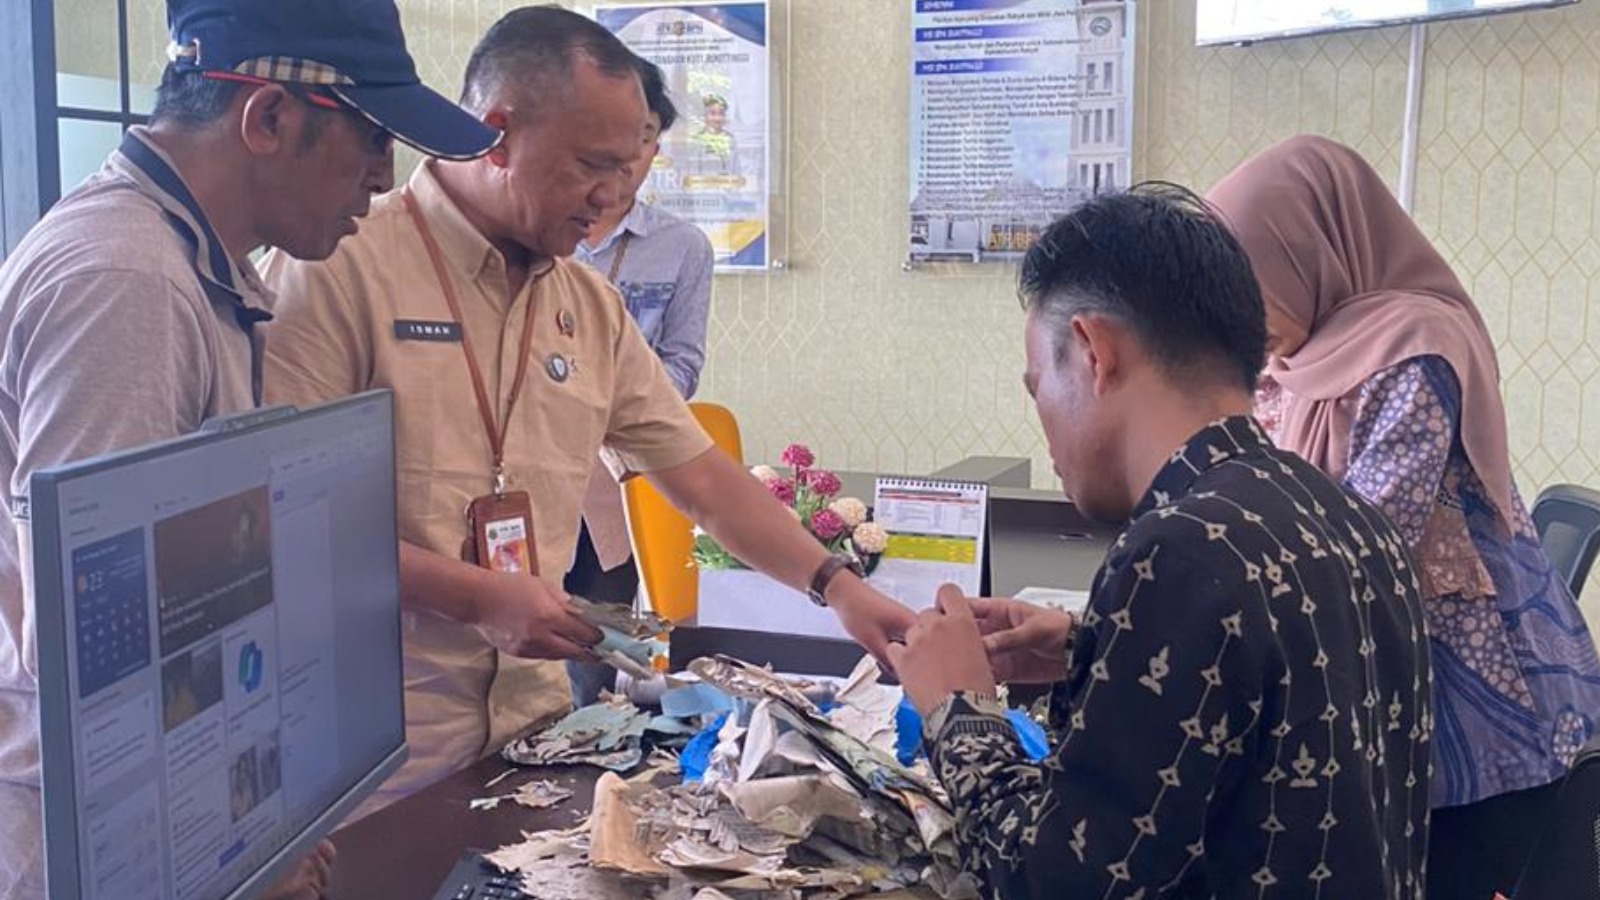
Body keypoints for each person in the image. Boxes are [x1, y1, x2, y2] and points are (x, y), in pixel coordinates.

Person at [260, 5, 914, 815]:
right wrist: (473, 597)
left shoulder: (587, 305)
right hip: (376, 771)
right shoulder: (335, 270)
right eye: (591, 166)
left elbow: (701, 478)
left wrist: (836, 586)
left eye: (628, 170)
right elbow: (284, 527)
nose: (610, 198)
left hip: (533, 749)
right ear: (496, 135)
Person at [0, 2, 496, 896]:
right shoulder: (128, 282)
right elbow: (94, 653)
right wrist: (227, 848)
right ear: (267, 117)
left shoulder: (193, 263)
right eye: (372, 138)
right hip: (92, 833)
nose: (383, 179)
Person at [888, 184, 1433, 898]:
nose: (1042, 421)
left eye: (1037, 386)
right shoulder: (1346, 516)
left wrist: (958, 709)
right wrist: (1092, 648)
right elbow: (1273, 722)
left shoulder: (1179, 551)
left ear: (1093, 352)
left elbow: (1053, 881)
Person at [1208, 134, 1600, 899]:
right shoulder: (1283, 362)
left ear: (1303, 250)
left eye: (1247, 287)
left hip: (1482, 718)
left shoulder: (1413, 346)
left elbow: (1360, 545)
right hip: (1373, 676)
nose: (1235, 321)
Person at [566, 58, 716, 705]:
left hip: (619, 477)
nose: (627, 155)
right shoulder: (542, 233)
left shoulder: (682, 246)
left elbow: (682, 364)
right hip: (526, 473)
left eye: (645, 136)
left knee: (602, 647)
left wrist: (609, 404)